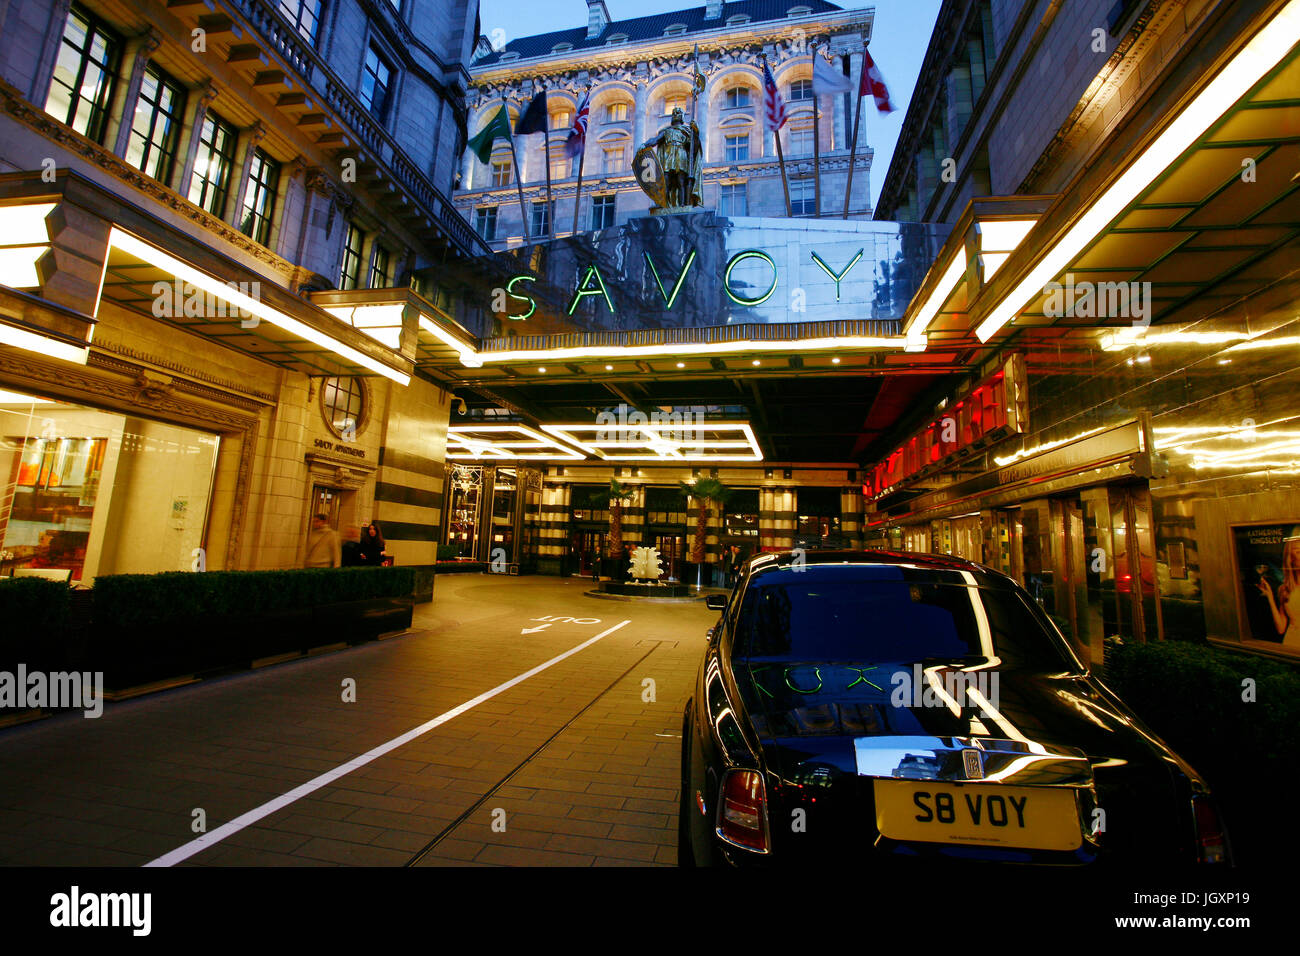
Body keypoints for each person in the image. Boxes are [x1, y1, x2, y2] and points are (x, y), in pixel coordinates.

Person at [1258, 529, 1300, 647]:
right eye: (1298, 552)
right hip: (1292, 644)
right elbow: (1281, 628)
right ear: (1291, 559)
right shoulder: (1285, 589)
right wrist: (1270, 597)